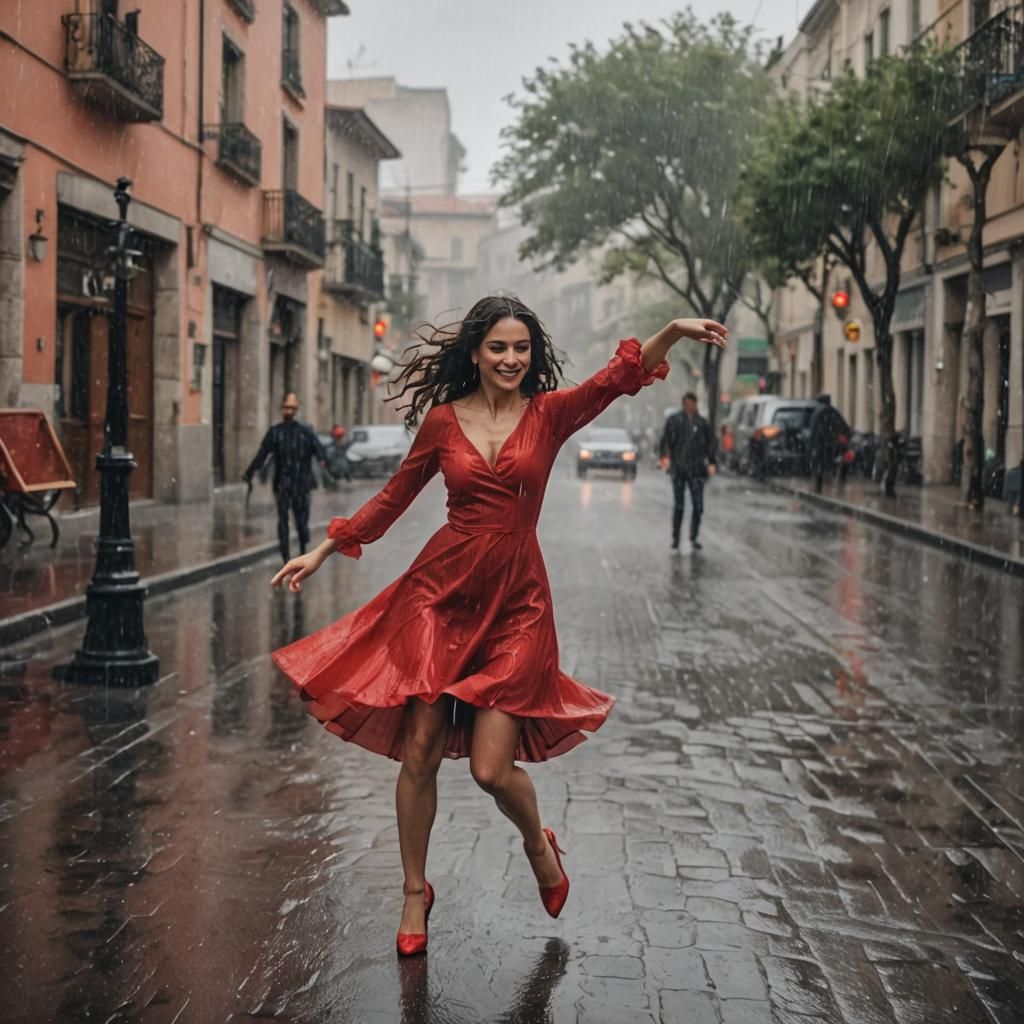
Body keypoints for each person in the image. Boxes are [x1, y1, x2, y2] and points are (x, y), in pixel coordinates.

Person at [268, 296, 727, 956]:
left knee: (490, 769)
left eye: (521, 349)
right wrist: (324, 548)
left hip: (518, 607)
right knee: (420, 748)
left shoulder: (549, 415)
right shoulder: (443, 422)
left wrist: (673, 331)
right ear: (476, 354)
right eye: (499, 348)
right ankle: (413, 892)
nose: (512, 359)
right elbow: (395, 497)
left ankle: (539, 844)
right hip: (439, 597)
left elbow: (615, 379)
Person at [244, 392, 331, 562]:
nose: (289, 410)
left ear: (296, 409)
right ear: (282, 408)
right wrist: (250, 471)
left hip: (301, 484)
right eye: (286, 407)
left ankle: (302, 551)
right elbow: (262, 454)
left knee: (301, 522)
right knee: (283, 520)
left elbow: (320, 452)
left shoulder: (305, 433)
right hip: (283, 484)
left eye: (292, 407)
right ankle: (286, 557)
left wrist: (325, 462)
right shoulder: (276, 432)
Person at [658, 391, 717, 550]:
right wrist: (664, 456)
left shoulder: (702, 423)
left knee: (698, 506)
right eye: (687, 403)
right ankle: (676, 537)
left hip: (697, 469)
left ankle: (693, 536)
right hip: (678, 468)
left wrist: (711, 461)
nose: (689, 406)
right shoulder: (675, 421)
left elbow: (710, 443)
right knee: (679, 506)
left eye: (691, 403)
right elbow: (666, 440)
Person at [807, 393, 851, 494]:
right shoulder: (832, 411)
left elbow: (813, 429)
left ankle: (819, 487)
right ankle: (829, 486)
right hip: (830, 443)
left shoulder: (816, 412)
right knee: (828, 464)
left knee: (818, 465)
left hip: (819, 443)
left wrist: (811, 443)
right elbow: (843, 426)